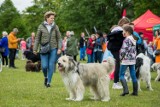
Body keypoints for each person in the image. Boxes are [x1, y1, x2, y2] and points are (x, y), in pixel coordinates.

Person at [33, 11, 62, 87]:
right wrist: (35, 49)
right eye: (51, 18)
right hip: (44, 48)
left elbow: (59, 38)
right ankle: (45, 77)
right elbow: (37, 38)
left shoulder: (55, 26)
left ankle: (48, 82)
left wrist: (59, 48)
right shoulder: (41, 26)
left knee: (51, 65)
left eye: (53, 18)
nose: (53, 19)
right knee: (44, 66)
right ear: (47, 18)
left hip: (53, 48)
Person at [107, 17, 130, 89]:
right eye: (127, 24)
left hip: (113, 48)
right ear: (124, 23)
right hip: (115, 49)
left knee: (118, 64)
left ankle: (116, 82)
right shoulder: (119, 31)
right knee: (117, 65)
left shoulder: (116, 30)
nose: (128, 26)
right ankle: (115, 83)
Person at [119, 25, 138, 96]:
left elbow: (124, 50)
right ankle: (135, 92)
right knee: (133, 75)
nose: (122, 32)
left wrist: (120, 58)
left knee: (121, 75)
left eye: (123, 31)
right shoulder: (133, 39)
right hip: (132, 60)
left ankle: (125, 90)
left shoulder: (127, 40)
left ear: (126, 32)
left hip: (126, 60)